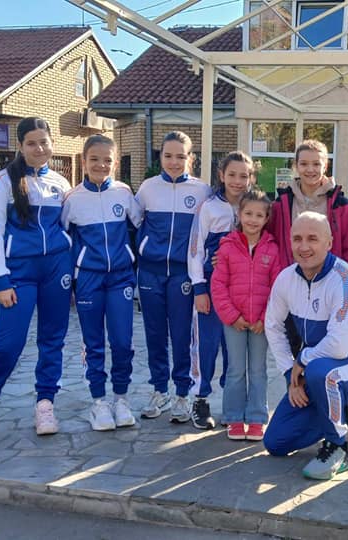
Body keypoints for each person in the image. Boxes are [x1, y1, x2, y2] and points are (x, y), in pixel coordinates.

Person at [0, 117, 72, 439]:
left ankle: (45, 405)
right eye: (31, 143)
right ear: (20, 146)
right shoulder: (1, 182)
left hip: (56, 272)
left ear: (52, 143)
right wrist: (1, 280)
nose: (39, 148)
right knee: (8, 345)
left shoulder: (61, 184)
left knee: (52, 340)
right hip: (17, 275)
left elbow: (68, 228)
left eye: (44, 142)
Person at [262, 212, 348, 481]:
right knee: (276, 442)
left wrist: (302, 361)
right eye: (297, 239)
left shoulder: (347, 279)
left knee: (322, 374)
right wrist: (290, 376)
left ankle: (338, 446)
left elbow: (339, 346)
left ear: (329, 242)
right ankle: (346, 411)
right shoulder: (286, 279)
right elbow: (273, 326)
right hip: (316, 370)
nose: (304, 246)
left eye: (313, 239)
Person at [61, 135, 142, 431]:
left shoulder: (124, 192)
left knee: (122, 341)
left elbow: (140, 225)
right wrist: (70, 281)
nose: (101, 165)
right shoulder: (72, 199)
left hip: (120, 277)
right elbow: (64, 240)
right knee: (93, 343)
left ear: (115, 162)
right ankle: (98, 402)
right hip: (89, 280)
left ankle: (121, 399)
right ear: (83, 161)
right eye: (94, 159)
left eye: (107, 160)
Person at [134, 131, 211, 423]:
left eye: (181, 156)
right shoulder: (148, 188)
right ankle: (159, 390)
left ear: (190, 158)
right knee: (154, 334)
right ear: (161, 157)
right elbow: (134, 221)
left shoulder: (202, 191)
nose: (174, 162)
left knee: (181, 336)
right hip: (150, 272)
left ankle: (181, 393)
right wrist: (143, 250)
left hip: (182, 274)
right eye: (168, 156)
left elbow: (210, 230)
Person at [187, 151, 255, 430]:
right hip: (212, 289)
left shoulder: (255, 207)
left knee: (234, 348)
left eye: (244, 176)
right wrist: (199, 287)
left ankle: (232, 402)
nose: (238, 181)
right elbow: (195, 248)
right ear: (221, 176)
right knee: (206, 345)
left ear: (251, 178)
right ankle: (200, 398)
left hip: (242, 291)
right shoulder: (209, 207)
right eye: (232, 175)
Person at [210, 190, 283, 441]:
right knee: (235, 369)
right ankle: (233, 417)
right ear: (239, 215)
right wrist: (232, 316)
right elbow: (218, 285)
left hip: (261, 322)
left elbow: (276, 288)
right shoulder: (228, 247)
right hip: (235, 322)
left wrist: (265, 318)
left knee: (258, 370)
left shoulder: (272, 248)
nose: (253, 219)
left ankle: (256, 417)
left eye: (259, 215)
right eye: (248, 213)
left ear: (266, 219)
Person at [268, 139, 348, 269]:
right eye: (304, 164)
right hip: (290, 276)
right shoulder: (280, 205)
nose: (310, 169)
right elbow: (270, 245)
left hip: (330, 277)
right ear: (296, 166)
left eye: (316, 164)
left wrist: (347, 279)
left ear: (325, 166)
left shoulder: (340, 205)